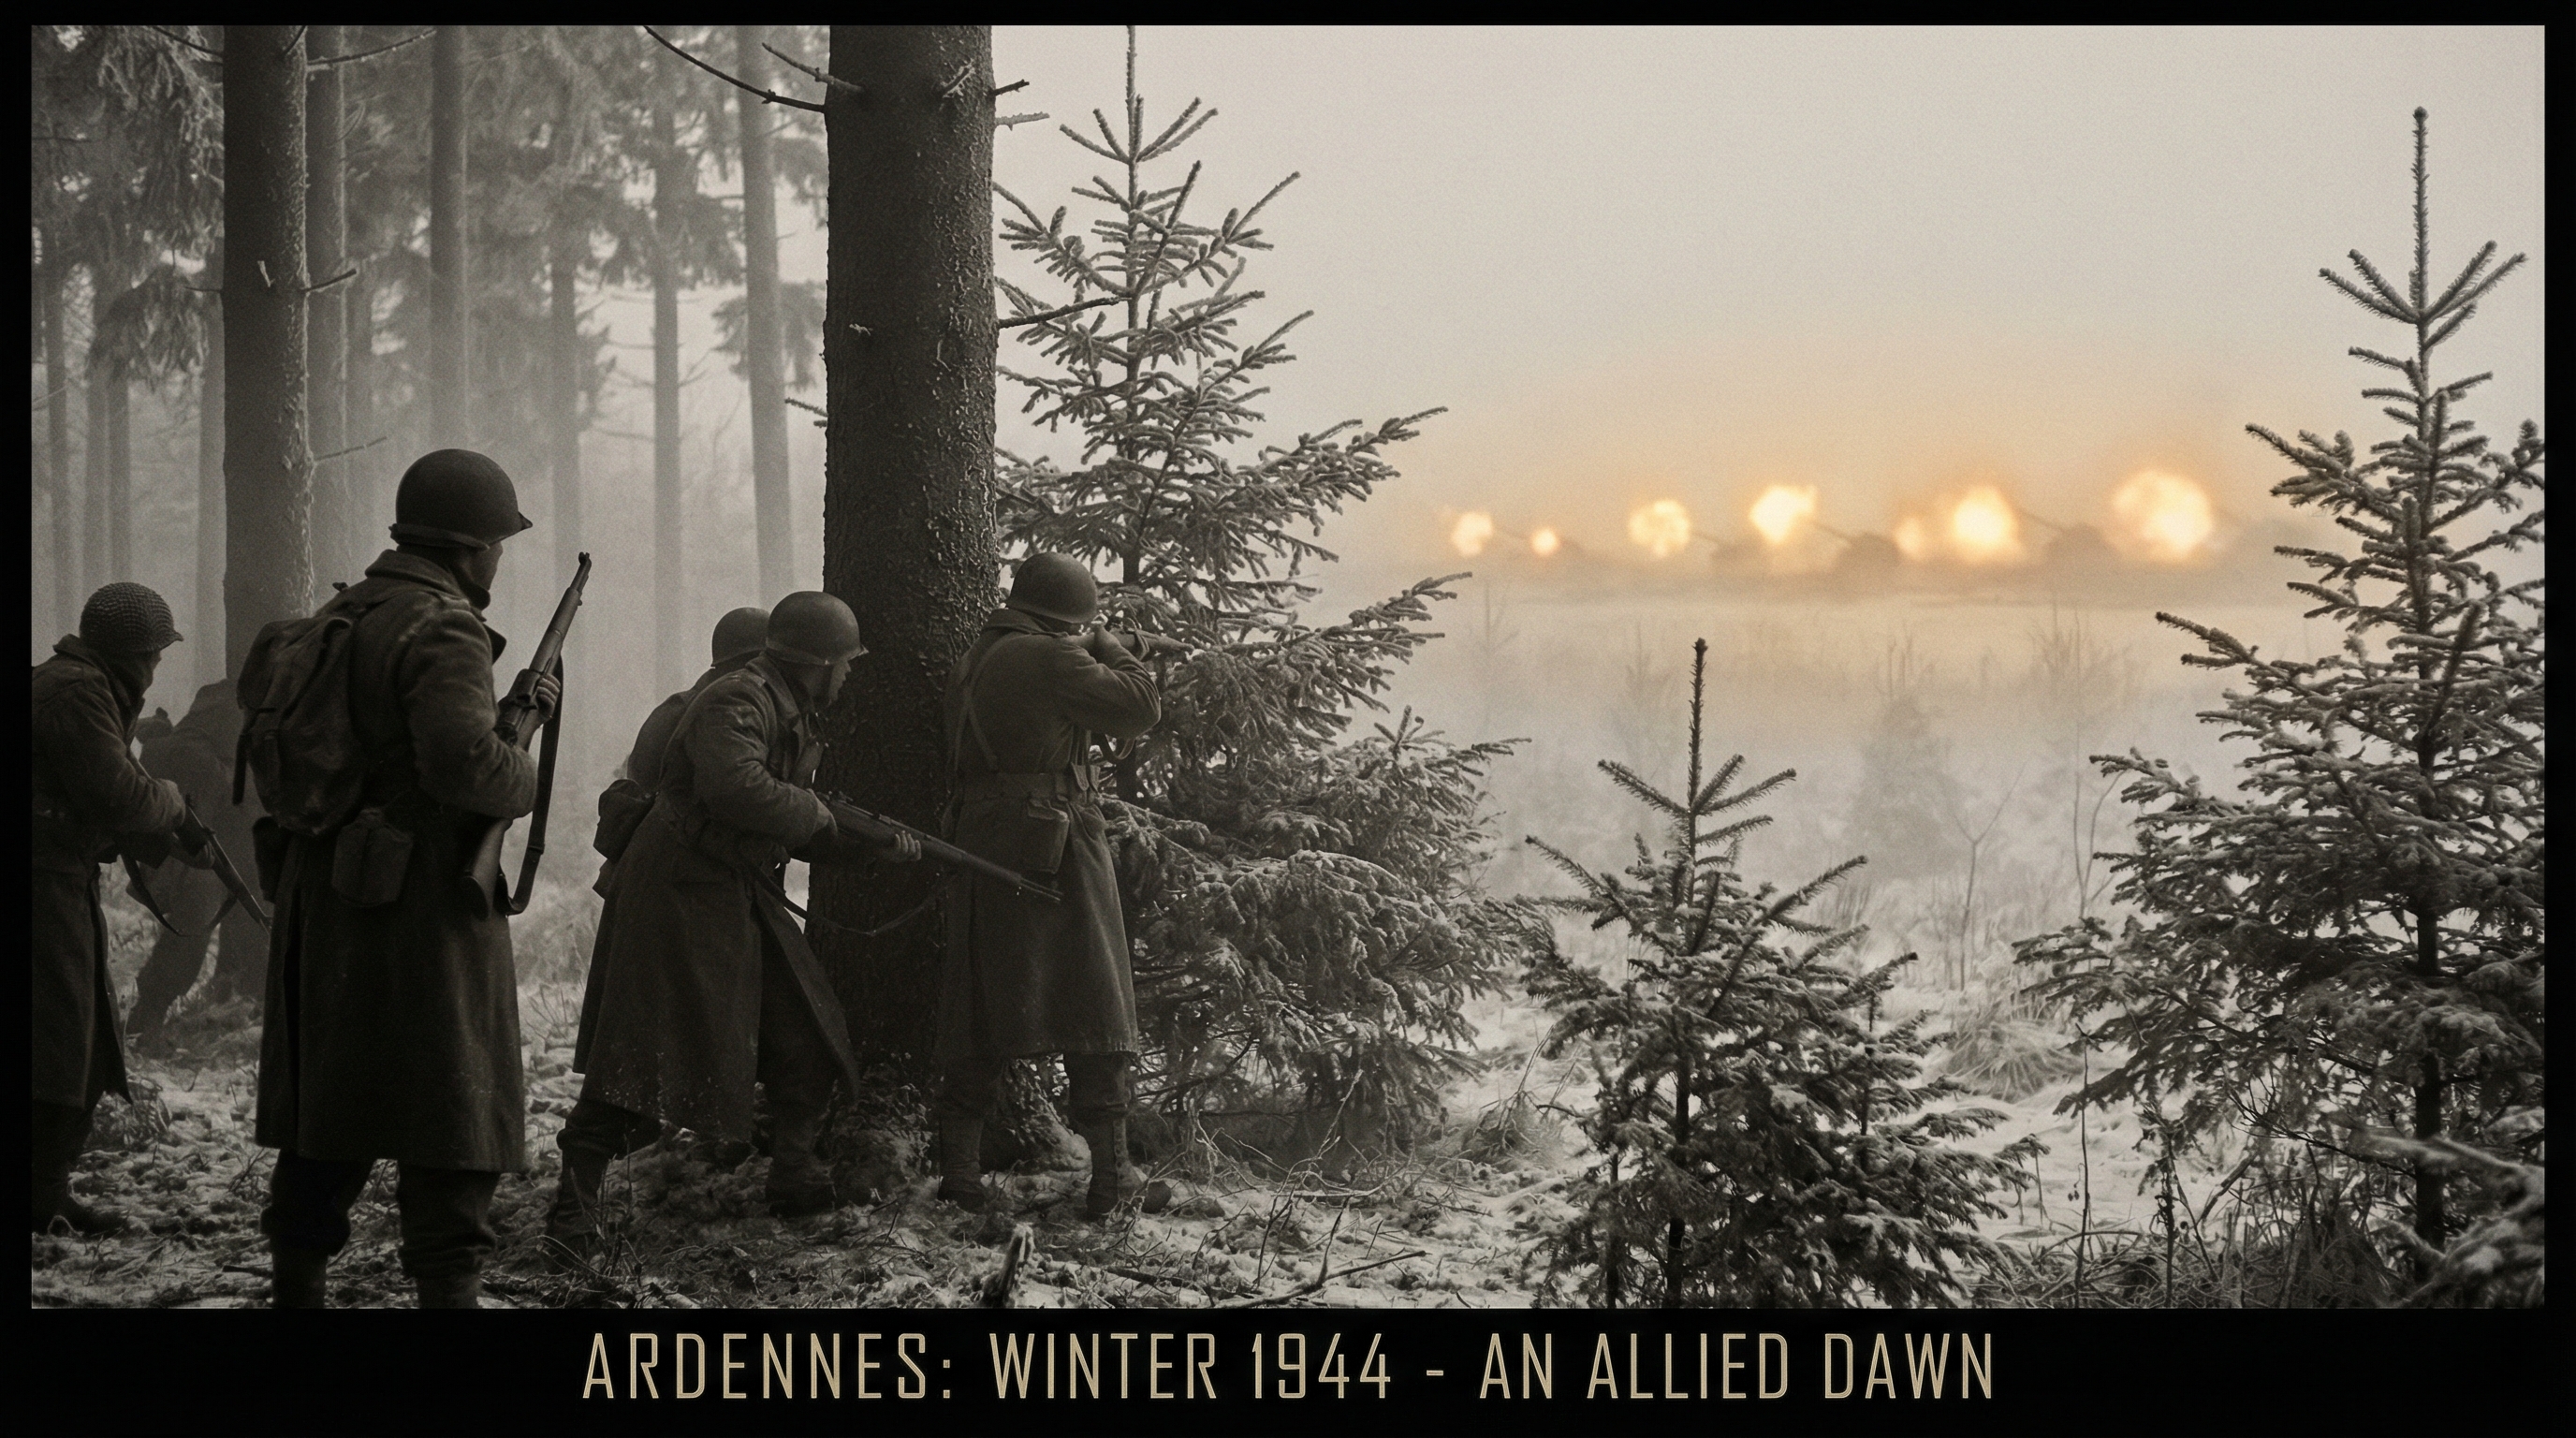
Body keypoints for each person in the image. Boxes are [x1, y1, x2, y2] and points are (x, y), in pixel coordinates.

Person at [253, 448, 560, 1309]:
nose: (498, 560)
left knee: (330, 1111)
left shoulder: (335, 615)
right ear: (471, 546)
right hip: (420, 906)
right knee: (455, 1113)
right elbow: (466, 768)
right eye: (498, 544)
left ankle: (298, 1291)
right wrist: (524, 770)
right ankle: (448, 1295)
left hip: (330, 898)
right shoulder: (443, 624)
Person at [546, 592, 919, 1262]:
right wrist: (823, 818)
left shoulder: (785, 708)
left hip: (736, 893)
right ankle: (572, 1215)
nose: (849, 677)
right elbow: (738, 789)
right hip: (677, 897)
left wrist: (872, 846)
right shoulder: (737, 700)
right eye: (846, 664)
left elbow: (779, 812)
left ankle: (796, 1176)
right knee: (636, 1062)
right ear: (819, 662)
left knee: (807, 1032)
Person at [935, 553, 1163, 1217]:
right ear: (1070, 619)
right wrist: (1114, 650)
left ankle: (959, 1177)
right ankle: (1113, 1177)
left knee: (978, 1007)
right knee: (1097, 1001)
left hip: (982, 840)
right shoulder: (1051, 657)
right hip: (1056, 843)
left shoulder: (977, 657)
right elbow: (1139, 707)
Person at [31, 582, 211, 1235]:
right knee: (61, 1041)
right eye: (155, 655)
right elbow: (121, 793)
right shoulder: (77, 691)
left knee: (75, 1037)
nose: (158, 666)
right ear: (132, 653)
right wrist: (173, 804)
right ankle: (39, 1193)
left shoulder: (74, 683)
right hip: (41, 883)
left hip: (58, 878)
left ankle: (44, 1189)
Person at [126, 676, 268, 1050]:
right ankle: (148, 1017)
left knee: (257, 924)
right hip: (204, 831)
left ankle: (253, 1011)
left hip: (246, 832)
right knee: (194, 924)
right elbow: (187, 753)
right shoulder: (230, 698)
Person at [590, 606, 769, 896]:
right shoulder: (713, 714)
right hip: (674, 873)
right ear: (750, 663)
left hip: (661, 865)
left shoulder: (687, 705)